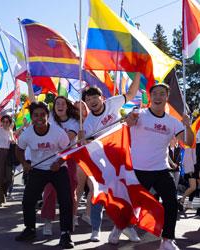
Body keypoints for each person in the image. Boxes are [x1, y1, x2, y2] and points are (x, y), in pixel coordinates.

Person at [125, 83, 194, 250]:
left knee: (171, 203)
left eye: (162, 94)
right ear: (150, 97)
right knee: (131, 205)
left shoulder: (173, 122)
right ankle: (119, 228)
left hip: (161, 170)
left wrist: (187, 125)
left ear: (166, 97)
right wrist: (130, 118)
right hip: (138, 169)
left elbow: (189, 142)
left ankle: (167, 240)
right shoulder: (139, 114)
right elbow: (128, 123)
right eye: (155, 93)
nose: (158, 97)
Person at [81, 72, 141, 243]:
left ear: (101, 97)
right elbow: (88, 144)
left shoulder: (113, 102)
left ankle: (126, 227)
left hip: (122, 155)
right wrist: (83, 138)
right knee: (98, 193)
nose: (92, 101)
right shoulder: (87, 123)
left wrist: (137, 74)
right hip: (102, 161)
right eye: (88, 99)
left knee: (126, 193)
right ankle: (95, 229)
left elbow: (130, 93)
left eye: (94, 97)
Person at [15, 102, 74, 249]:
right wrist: (24, 164)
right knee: (28, 201)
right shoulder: (27, 134)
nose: (39, 118)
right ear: (32, 117)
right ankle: (30, 229)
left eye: (43, 115)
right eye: (36, 115)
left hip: (57, 170)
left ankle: (65, 234)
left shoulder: (58, 132)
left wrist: (59, 163)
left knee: (66, 201)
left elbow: (69, 149)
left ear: (48, 116)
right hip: (38, 169)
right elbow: (19, 149)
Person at [41, 96, 80, 236]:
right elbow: (35, 104)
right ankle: (47, 222)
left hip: (69, 158)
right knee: (49, 190)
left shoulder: (75, 122)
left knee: (70, 190)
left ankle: (70, 219)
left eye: (63, 103)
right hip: (51, 158)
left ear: (67, 107)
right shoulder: (50, 117)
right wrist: (29, 85)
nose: (60, 106)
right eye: (57, 103)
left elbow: (65, 140)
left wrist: (51, 136)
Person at [0, 114, 15, 206]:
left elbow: (13, 141)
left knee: (9, 177)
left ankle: (4, 192)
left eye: (7, 122)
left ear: (10, 123)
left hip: (8, 154)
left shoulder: (10, 131)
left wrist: (13, 142)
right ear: (1, 122)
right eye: (4, 121)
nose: (5, 123)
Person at [177, 147, 197, 211]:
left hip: (196, 168)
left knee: (194, 187)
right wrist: (190, 169)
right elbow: (186, 159)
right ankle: (182, 200)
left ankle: (188, 203)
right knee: (193, 187)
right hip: (191, 169)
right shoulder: (191, 144)